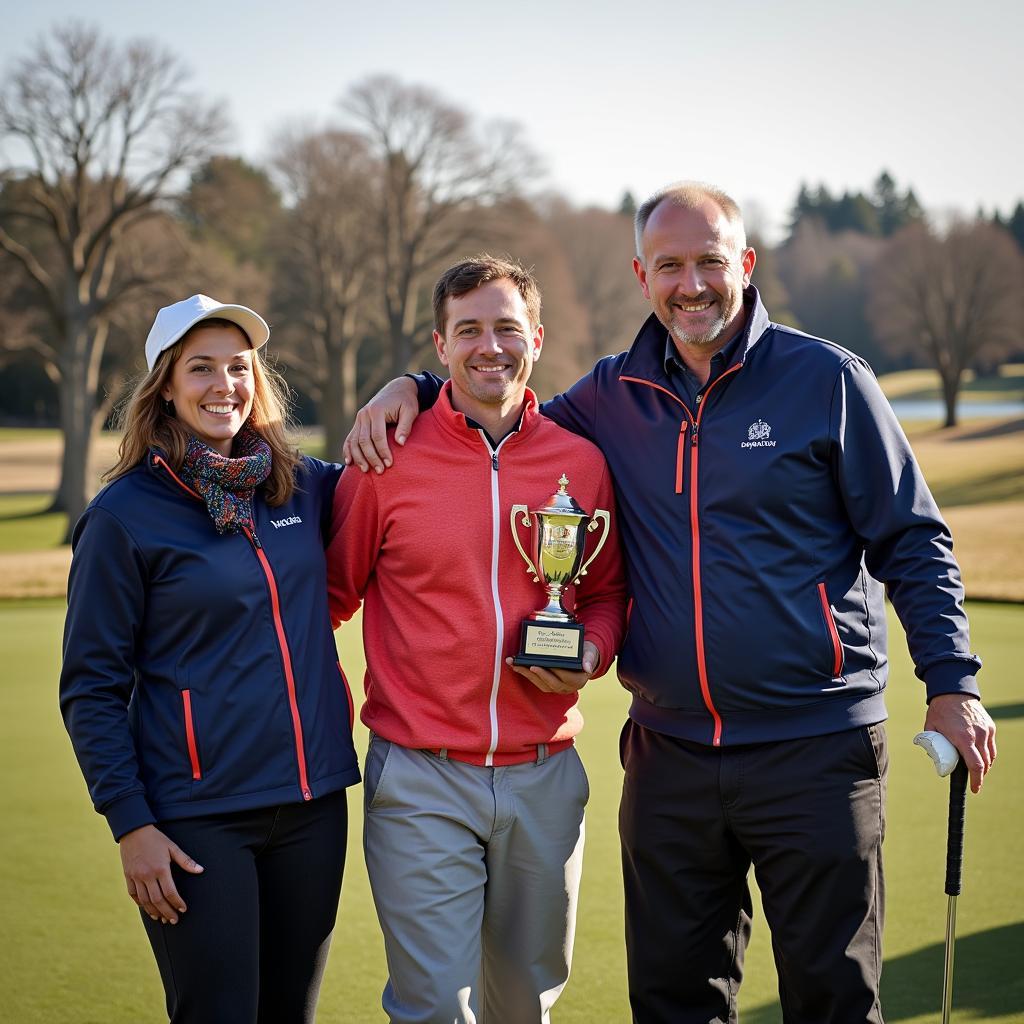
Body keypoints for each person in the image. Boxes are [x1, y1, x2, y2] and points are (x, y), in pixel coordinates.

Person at [341, 184, 998, 1024]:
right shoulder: (607, 399)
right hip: (671, 756)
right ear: (641, 275)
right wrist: (412, 388)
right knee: (676, 1004)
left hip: (817, 748)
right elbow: (498, 401)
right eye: (671, 266)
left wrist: (953, 682)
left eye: (710, 263)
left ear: (745, 266)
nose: (692, 285)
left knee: (834, 997)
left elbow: (912, 537)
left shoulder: (827, 379)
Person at [326, 256, 627, 1024]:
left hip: (545, 774)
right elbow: (328, 599)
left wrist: (589, 650)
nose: (488, 346)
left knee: (525, 1006)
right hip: (420, 776)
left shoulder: (581, 463)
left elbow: (605, 594)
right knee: (434, 1010)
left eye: (505, 328)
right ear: (439, 344)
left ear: (537, 337)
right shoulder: (382, 461)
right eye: (469, 331)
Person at [60, 294, 360, 1024]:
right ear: (165, 382)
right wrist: (131, 825)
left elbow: (389, 467)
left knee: (290, 1013)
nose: (224, 384)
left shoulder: (301, 485)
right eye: (202, 368)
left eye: (239, 366)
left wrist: (409, 389)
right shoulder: (123, 516)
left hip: (313, 807)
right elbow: (91, 688)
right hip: (196, 821)